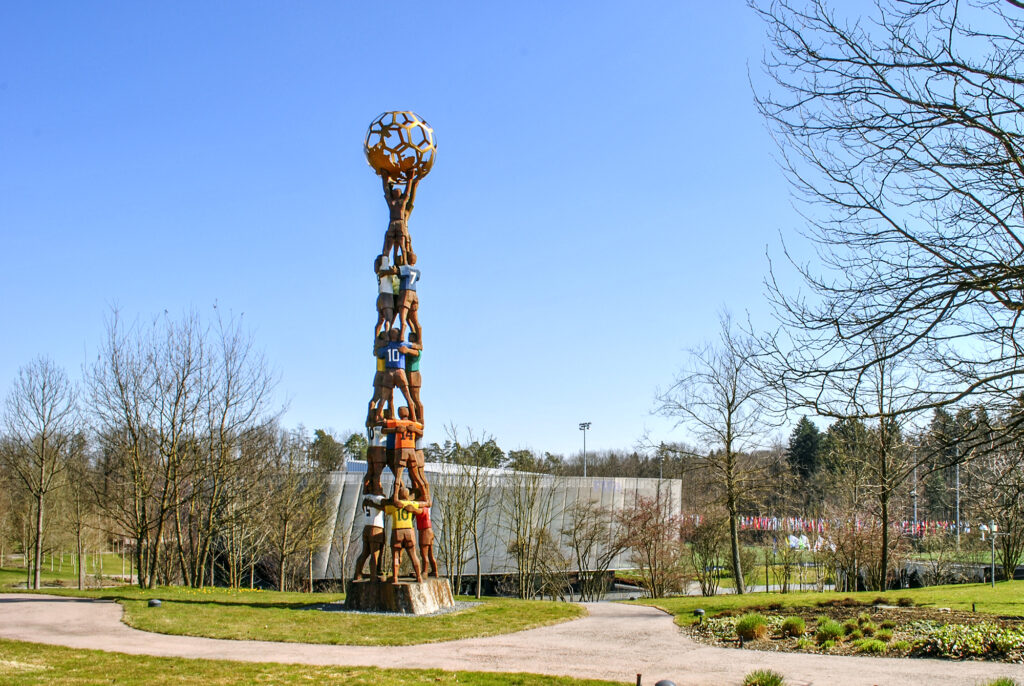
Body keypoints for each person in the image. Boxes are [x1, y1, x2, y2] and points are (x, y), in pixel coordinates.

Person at [381, 486, 423, 584]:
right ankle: (419, 576)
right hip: (409, 531)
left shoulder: (395, 505)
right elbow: (421, 509)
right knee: (413, 555)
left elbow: (384, 508)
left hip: (397, 531)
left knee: (395, 556)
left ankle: (395, 577)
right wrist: (414, 510)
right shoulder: (412, 504)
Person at [382, 405, 423, 502]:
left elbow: (383, 428)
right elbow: (421, 429)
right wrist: (415, 429)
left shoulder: (397, 422)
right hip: (410, 451)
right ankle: (423, 494)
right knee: (415, 476)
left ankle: (397, 496)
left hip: (401, 451)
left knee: (400, 475)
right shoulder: (412, 423)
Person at [376, 328, 417, 423]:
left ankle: (378, 416)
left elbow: (379, 353)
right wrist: (409, 349)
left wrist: (380, 344)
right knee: (407, 396)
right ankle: (414, 417)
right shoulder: (402, 344)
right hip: (400, 372)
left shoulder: (387, 346)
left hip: (389, 372)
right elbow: (417, 347)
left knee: (384, 397)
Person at [381, 170, 419, 264]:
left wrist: (410, 179)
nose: (396, 192)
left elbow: (407, 192)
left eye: (397, 192)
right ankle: (385, 264)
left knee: (402, 246)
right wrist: (384, 179)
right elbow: (387, 192)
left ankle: (405, 262)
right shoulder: (392, 202)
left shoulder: (402, 202)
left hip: (400, 223)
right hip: (393, 222)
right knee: (389, 245)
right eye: (395, 192)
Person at [352, 485, 386, 581]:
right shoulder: (378, 498)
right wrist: (375, 505)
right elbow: (386, 507)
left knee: (365, 553)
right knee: (375, 553)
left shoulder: (366, 498)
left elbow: (364, 508)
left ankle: (358, 572)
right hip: (376, 527)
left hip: (367, 526)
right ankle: (373, 576)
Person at [412, 487, 438, 578]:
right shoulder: (426, 506)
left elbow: (418, 511)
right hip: (429, 530)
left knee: (424, 554)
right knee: (430, 554)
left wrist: (411, 508)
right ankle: (434, 571)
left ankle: (425, 572)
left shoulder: (423, 507)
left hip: (424, 531)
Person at [397, 253, 421, 340]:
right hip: (414, 294)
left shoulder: (406, 268)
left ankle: (402, 336)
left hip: (406, 292)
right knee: (415, 320)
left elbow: (398, 272)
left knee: (403, 317)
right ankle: (419, 339)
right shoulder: (417, 271)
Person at [374, 255, 398, 336]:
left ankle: (376, 337)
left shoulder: (379, 271)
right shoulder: (384, 269)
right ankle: (387, 336)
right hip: (387, 295)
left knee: (380, 321)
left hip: (381, 296)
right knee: (388, 319)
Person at [404, 331, 423, 424]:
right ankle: (413, 415)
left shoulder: (417, 351)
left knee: (416, 398)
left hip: (414, 375)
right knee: (410, 398)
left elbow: (414, 353)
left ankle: (420, 417)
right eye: (408, 337)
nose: (409, 339)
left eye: (411, 337)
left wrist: (407, 350)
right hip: (407, 375)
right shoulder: (408, 349)